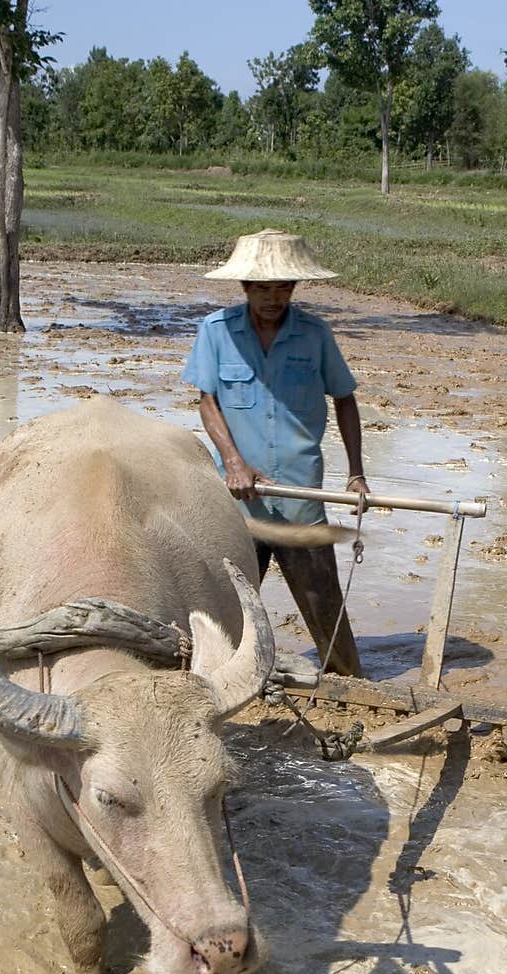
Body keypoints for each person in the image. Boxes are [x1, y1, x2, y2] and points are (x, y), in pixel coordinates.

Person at [182, 228, 368, 678]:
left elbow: (345, 398)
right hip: (239, 501)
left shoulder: (314, 335)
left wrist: (356, 474)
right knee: (227, 605)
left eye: (282, 286)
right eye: (263, 287)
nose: (273, 296)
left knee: (323, 600)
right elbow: (207, 400)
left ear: (294, 287)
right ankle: (218, 680)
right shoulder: (217, 331)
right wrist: (233, 461)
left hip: (300, 494)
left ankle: (350, 684)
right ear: (245, 287)